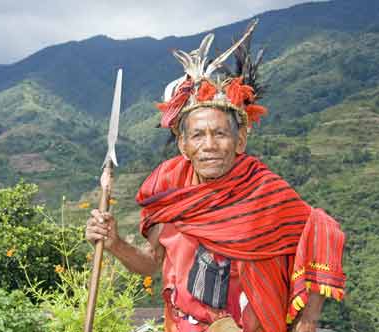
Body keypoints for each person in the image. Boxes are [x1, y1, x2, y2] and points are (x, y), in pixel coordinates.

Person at [85, 20, 346, 332]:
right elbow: (151, 263)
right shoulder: (168, 192)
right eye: (197, 135)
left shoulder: (265, 193)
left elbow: (319, 229)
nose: (209, 145)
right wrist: (114, 243)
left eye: (220, 133)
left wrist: (309, 319)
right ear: (183, 145)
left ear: (240, 140)